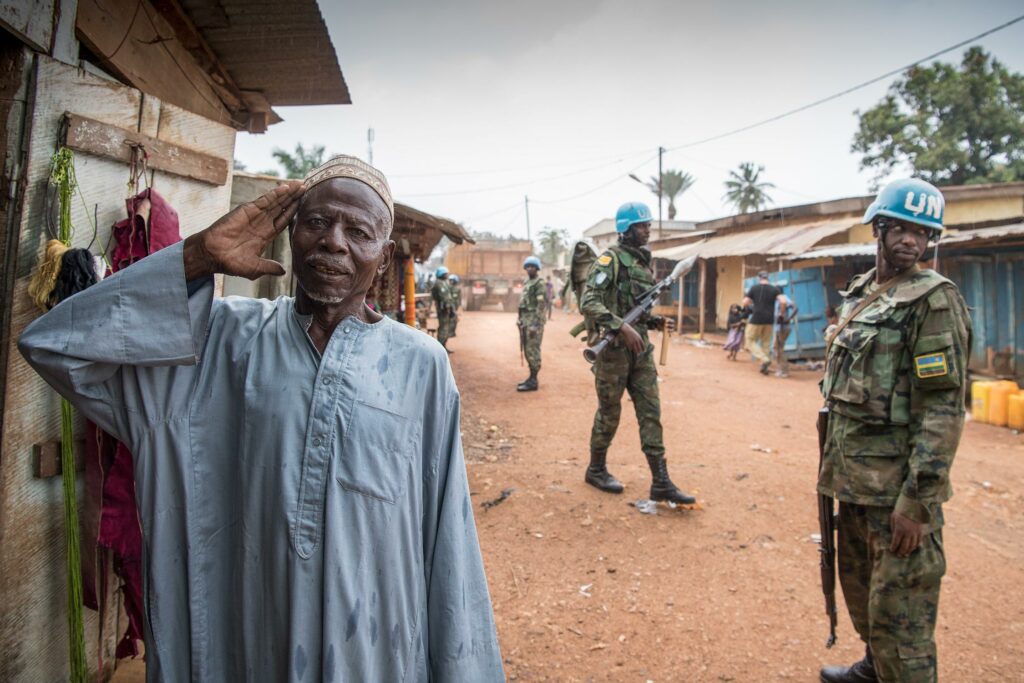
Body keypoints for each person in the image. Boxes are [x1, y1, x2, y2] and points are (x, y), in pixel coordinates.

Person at [19, 156, 504, 681]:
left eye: (358, 231)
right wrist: (198, 256)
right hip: (244, 647)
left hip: (373, 656)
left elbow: (448, 540)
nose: (334, 242)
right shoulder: (217, 341)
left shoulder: (421, 366)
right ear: (291, 234)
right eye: (317, 222)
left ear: (383, 258)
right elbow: (55, 346)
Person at [818, 178, 971, 683]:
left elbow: (943, 410)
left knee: (902, 625)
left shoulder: (935, 301)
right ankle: (871, 668)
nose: (911, 241)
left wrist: (917, 503)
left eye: (922, 233)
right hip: (853, 485)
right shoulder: (864, 292)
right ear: (879, 229)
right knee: (865, 600)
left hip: (896, 498)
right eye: (901, 228)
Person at [580, 201, 695, 504]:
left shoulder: (643, 263)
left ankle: (661, 482)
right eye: (642, 225)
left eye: (648, 224)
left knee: (651, 413)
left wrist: (653, 321)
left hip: (640, 352)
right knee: (609, 413)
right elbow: (589, 302)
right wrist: (622, 327)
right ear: (626, 230)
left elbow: (636, 310)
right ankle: (596, 469)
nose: (648, 230)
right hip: (613, 353)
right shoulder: (610, 260)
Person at [743, 270, 788, 374]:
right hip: (769, 319)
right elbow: (783, 301)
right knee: (766, 343)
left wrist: (749, 306)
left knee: (749, 340)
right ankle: (765, 367)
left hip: (756, 318)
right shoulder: (774, 289)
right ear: (768, 278)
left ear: (759, 278)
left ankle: (765, 359)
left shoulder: (754, 288)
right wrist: (782, 313)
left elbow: (745, 302)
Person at [516, 256, 546, 391]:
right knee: (527, 349)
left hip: (534, 322)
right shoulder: (527, 282)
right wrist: (520, 319)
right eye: (527, 266)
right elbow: (522, 303)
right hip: (526, 321)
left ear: (537, 268)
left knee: (533, 350)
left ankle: (534, 380)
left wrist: (535, 324)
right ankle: (531, 377)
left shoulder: (539, 283)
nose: (529, 269)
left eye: (532, 266)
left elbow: (541, 306)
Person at [773, 298, 798, 377]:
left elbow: (795, 308)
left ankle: (784, 370)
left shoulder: (783, 300)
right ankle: (781, 369)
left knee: (779, 349)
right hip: (778, 328)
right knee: (777, 348)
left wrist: (788, 318)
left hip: (782, 328)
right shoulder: (778, 301)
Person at [431, 265, 453, 351]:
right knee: (443, 327)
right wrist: (447, 307)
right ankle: (440, 348)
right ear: (442, 274)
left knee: (446, 327)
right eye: (446, 273)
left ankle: (443, 346)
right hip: (443, 309)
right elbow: (443, 297)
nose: (447, 275)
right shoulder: (439, 283)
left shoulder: (444, 282)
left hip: (447, 308)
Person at [448, 273, 462, 338]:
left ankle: (452, 332)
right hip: (450, 307)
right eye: (450, 280)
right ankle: (450, 333)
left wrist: (459, 305)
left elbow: (459, 298)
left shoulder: (457, 289)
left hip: (454, 307)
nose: (451, 282)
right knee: (451, 320)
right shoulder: (448, 288)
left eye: (452, 280)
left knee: (454, 320)